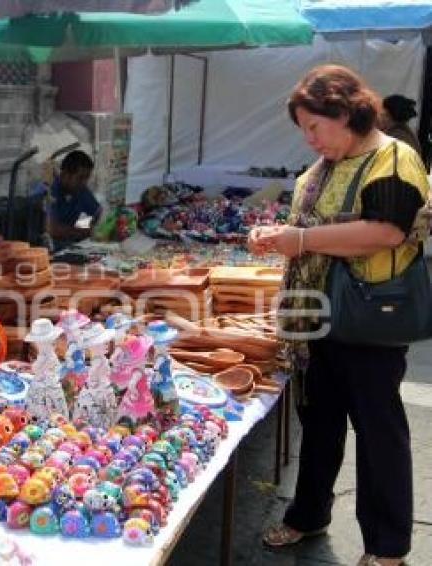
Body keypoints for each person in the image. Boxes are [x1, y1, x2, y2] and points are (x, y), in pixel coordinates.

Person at [250, 65, 429, 566]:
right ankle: (308, 516)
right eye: (302, 129)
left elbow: (387, 231)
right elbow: (306, 227)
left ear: (346, 111)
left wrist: (302, 240)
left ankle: (387, 545)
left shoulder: (393, 158)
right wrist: (275, 237)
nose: (309, 140)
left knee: (377, 430)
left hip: (369, 316)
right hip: (316, 318)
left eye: (314, 126)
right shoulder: (322, 168)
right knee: (320, 423)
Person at [46, 150, 102, 250]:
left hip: (72, 247)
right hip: (51, 250)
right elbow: (51, 229)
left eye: (87, 178)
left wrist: (83, 225)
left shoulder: (81, 190)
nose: (84, 182)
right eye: (80, 178)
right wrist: (80, 231)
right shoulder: (49, 191)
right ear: (65, 174)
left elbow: (97, 212)